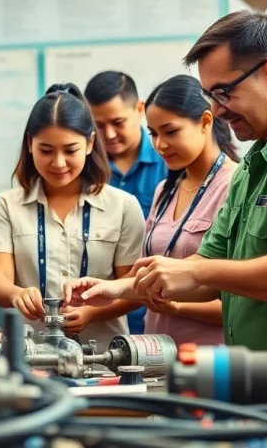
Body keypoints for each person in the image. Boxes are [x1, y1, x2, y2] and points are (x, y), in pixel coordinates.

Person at [69, 11, 267, 422]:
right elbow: (206, 264)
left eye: (224, 94)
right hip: (256, 381)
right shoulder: (257, 164)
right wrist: (121, 290)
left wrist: (198, 274)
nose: (217, 112)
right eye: (210, 97)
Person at [64, 74, 238, 347]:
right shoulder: (165, 189)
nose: (160, 145)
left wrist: (179, 306)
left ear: (205, 121)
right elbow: (145, 277)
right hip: (154, 354)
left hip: (208, 360)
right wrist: (104, 288)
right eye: (154, 134)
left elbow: (244, 302)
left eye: (170, 132)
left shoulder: (235, 187)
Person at [0, 83, 145, 347]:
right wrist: (17, 294)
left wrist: (93, 312)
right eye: (46, 150)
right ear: (29, 144)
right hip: (31, 355)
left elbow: (131, 289)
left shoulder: (123, 206)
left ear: (90, 143)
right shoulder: (7, 205)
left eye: (70, 150)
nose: (58, 163)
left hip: (105, 358)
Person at [84, 71, 167, 335]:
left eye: (117, 122)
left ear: (139, 108)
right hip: (98, 324)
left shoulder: (170, 162)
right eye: (98, 125)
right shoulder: (81, 169)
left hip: (158, 315)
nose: (108, 134)